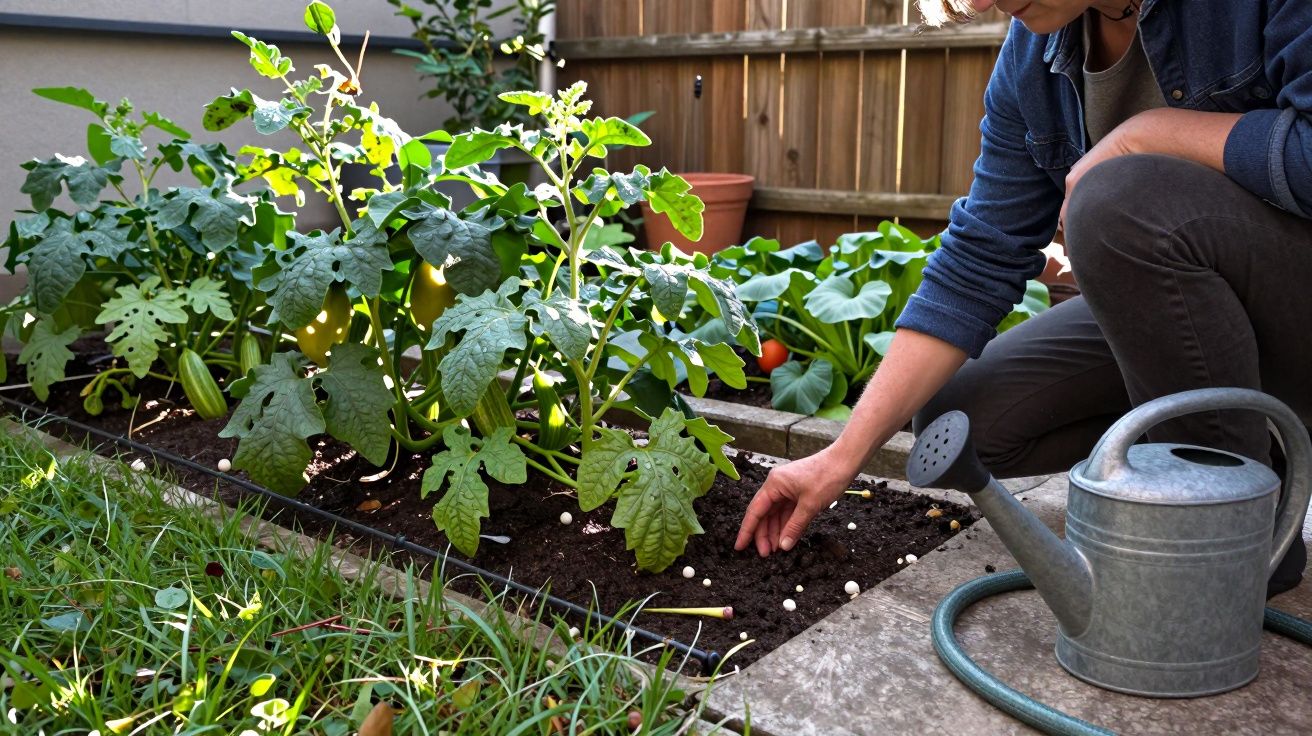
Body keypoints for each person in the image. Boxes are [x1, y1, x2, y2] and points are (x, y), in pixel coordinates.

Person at [734, 0, 1312, 597]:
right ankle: (1245, 445)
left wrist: (1149, 135)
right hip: (1202, 315)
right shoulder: (1034, 56)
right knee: (960, 418)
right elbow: (980, 258)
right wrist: (840, 456)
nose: (983, 3)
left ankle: (1237, 541)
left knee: (1116, 202)